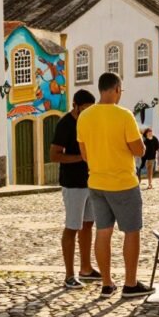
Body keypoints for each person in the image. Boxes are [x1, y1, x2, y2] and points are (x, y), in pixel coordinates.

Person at [77, 72, 156, 299]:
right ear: (117, 89)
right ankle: (130, 283)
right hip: (123, 183)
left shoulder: (84, 117)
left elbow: (84, 155)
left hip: (97, 182)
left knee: (103, 232)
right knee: (131, 232)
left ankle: (107, 283)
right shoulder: (124, 115)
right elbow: (139, 150)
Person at [51, 90, 102, 289]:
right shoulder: (65, 124)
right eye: (85, 109)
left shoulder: (91, 122)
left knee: (88, 224)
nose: (88, 113)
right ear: (75, 106)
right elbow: (54, 155)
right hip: (72, 184)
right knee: (72, 226)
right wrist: (81, 158)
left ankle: (86, 268)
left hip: (91, 180)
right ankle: (69, 275)